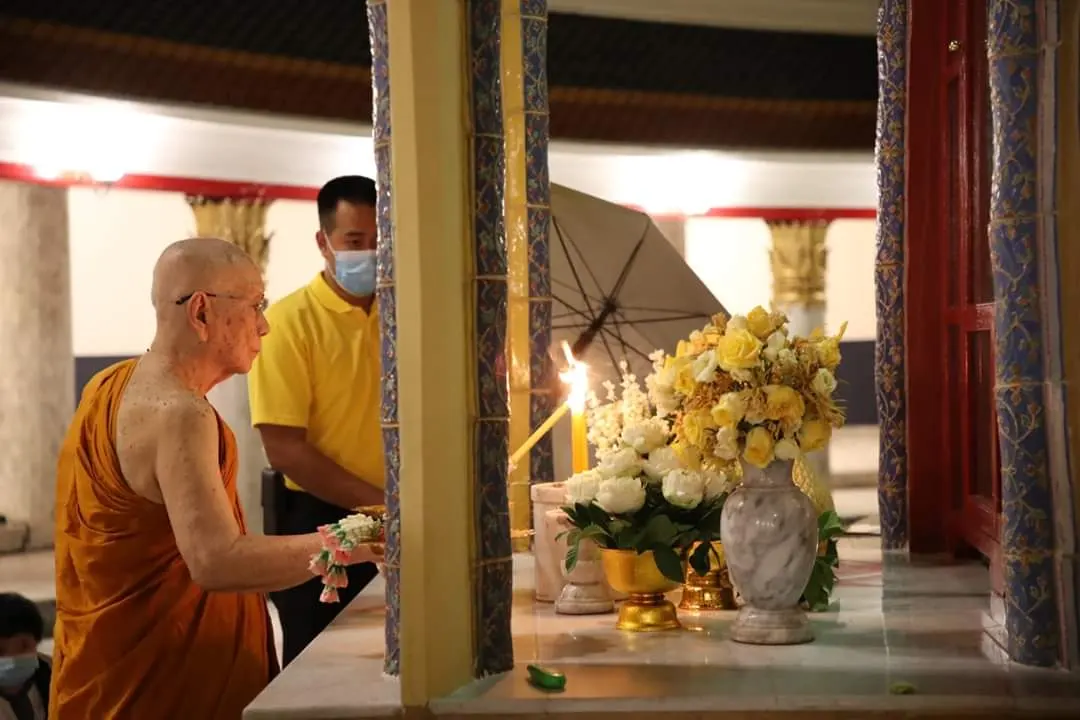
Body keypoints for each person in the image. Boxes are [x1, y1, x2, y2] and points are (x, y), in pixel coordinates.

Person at [50, 238, 383, 720]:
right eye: (256, 306)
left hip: (103, 671)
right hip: (162, 687)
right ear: (202, 312)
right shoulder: (180, 414)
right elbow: (217, 562)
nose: (264, 325)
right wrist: (350, 539)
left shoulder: (108, 384)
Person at [249, 176, 386, 666]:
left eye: (379, 240)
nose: (370, 253)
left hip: (399, 518)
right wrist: (382, 506)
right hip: (321, 521)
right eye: (355, 241)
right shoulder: (288, 324)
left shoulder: (404, 316)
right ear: (323, 243)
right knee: (322, 669)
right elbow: (285, 449)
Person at [0, 593, 50, 720]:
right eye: (0, 651)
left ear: (36, 641)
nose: (13, 658)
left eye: (24, 646)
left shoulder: (55, 675)